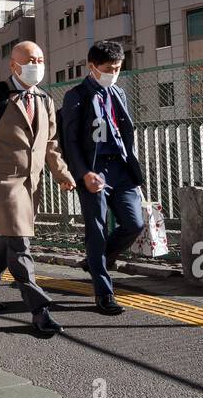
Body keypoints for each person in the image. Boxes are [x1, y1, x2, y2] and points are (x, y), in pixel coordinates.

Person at [0, 41, 76, 337]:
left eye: (40, 58)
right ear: (14, 65)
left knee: (10, 241)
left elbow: (51, 145)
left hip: (29, 185)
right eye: (30, 59)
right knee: (21, 246)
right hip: (1, 184)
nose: (37, 64)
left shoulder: (46, 100)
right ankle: (40, 310)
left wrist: (62, 174)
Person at [60, 40, 146, 316]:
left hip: (121, 170)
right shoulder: (76, 96)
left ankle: (96, 261)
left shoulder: (118, 92)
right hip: (93, 172)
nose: (113, 73)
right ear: (91, 66)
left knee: (134, 223)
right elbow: (70, 141)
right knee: (96, 232)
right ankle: (104, 294)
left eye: (118, 68)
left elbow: (126, 132)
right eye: (108, 68)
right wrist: (83, 173)